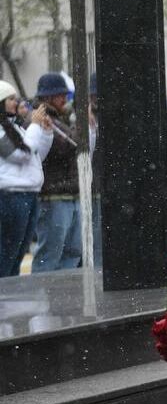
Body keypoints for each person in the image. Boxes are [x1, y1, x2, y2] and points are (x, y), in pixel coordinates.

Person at [0, 82, 54, 278]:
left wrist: (45, 132)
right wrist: (33, 125)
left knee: (19, 252)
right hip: (11, 197)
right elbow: (20, 153)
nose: (17, 103)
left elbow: (36, 156)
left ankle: (9, 297)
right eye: (11, 99)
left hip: (28, 195)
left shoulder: (16, 128)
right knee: (7, 252)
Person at [31, 72, 81, 272]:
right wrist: (81, 127)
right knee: (51, 253)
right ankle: (43, 297)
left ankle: (63, 296)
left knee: (72, 251)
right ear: (48, 98)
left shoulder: (60, 119)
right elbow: (67, 146)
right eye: (60, 95)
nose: (64, 99)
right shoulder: (40, 120)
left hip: (67, 192)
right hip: (53, 194)